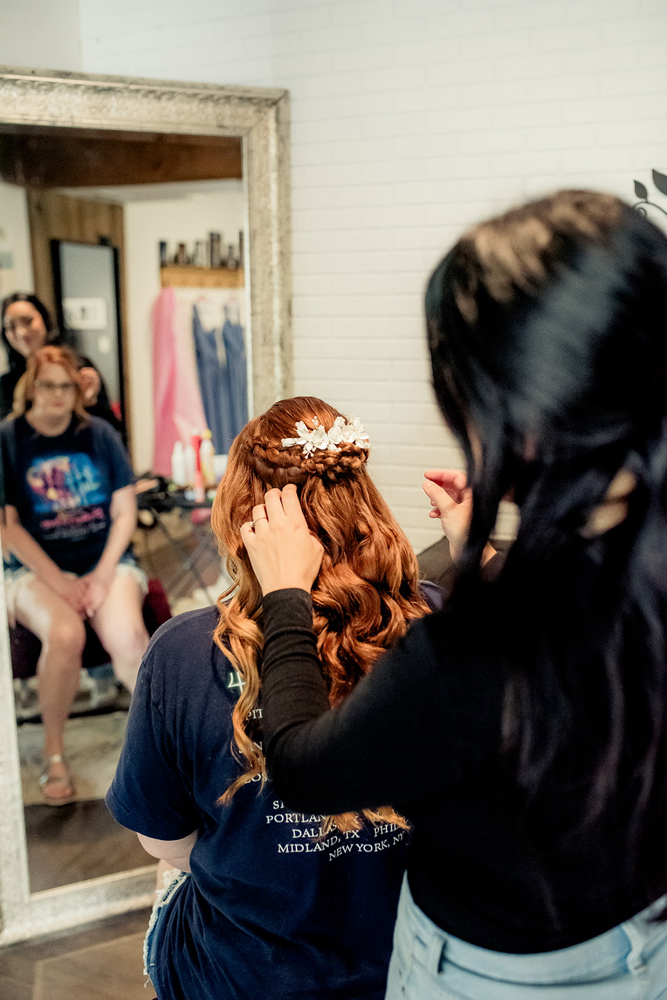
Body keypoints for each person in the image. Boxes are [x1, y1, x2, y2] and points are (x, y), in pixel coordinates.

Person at [241, 191, 667, 999]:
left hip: (498, 973)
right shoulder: (624, 570)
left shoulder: (480, 646)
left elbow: (302, 768)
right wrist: (491, 550)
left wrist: (285, 601)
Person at [106, 396, 439, 1000]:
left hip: (243, 979)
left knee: (171, 871)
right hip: (404, 967)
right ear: (360, 502)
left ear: (242, 517)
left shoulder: (182, 655)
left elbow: (162, 839)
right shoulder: (441, 622)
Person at [0, 345, 148, 804]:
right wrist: (61, 583)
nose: (58, 394)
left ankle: (165, 746)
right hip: (31, 568)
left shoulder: (99, 433)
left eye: (66, 385)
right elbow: (8, 526)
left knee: (129, 639)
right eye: (48, 384)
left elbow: (125, 512)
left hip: (105, 562)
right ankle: (54, 753)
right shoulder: (8, 437)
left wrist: (102, 576)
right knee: (65, 635)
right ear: (31, 387)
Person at [1, 291, 122, 432]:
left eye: (28, 321)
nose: (21, 332)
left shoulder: (78, 366)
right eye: (11, 327)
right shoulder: (7, 384)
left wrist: (89, 402)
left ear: (44, 320)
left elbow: (110, 430)